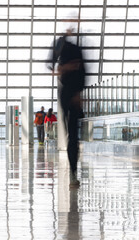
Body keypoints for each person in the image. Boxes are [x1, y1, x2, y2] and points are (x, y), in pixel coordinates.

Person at [48, 27, 86, 187]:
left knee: (73, 135)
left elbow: (84, 72)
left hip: (73, 94)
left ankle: (73, 172)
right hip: (69, 93)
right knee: (72, 134)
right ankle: (73, 172)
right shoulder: (63, 45)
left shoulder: (77, 49)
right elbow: (51, 63)